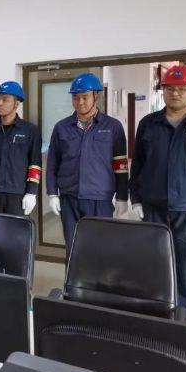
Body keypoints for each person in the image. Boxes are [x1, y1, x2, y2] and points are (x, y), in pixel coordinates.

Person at [130, 64, 186, 317]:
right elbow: (138, 164)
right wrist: (135, 199)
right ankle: (157, 309)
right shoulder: (149, 124)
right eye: (169, 88)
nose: (175, 93)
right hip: (153, 206)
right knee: (155, 259)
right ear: (163, 91)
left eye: (182, 89)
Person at [46, 73, 128, 253]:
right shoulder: (61, 127)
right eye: (75, 97)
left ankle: (99, 274)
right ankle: (72, 274)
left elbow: (121, 166)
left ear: (95, 96)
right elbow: (52, 163)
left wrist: (122, 196)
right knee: (73, 250)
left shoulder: (113, 127)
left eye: (85, 97)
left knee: (100, 250)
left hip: (100, 200)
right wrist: (52, 193)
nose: (80, 102)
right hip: (70, 199)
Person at [0, 81, 41, 216]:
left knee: (16, 230)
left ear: (16, 103)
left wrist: (31, 192)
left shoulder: (30, 131)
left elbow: (35, 164)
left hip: (18, 194)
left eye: (5, 100)